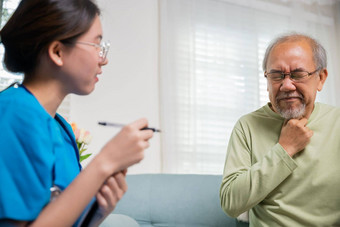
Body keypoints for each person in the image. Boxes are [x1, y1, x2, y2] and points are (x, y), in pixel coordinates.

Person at [0, 0, 154, 226]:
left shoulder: (62, 129)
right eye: (97, 46)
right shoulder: (14, 113)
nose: (104, 59)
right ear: (57, 51)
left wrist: (97, 212)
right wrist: (105, 162)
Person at [220, 33, 340, 226]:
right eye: (276, 75)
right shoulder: (247, 126)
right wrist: (284, 149)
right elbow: (231, 204)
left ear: (320, 78)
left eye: (298, 74)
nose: (286, 85)